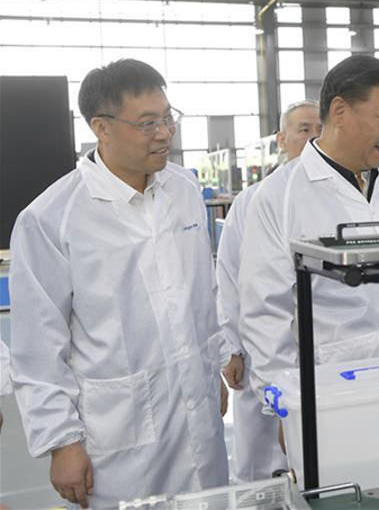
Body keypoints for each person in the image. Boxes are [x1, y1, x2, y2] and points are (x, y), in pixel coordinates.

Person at [9, 59, 229, 509]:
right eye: (147, 123)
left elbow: (200, 296)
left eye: (168, 118)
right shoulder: (51, 219)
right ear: (101, 128)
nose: (164, 133)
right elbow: (38, 345)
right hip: (117, 435)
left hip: (197, 409)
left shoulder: (184, 190)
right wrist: (61, 442)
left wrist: (213, 367)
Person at [239, 56, 379, 427]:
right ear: (339, 111)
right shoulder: (280, 196)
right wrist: (287, 409)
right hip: (337, 398)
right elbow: (265, 314)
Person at [217, 101, 321, 482]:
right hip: (260, 350)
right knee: (260, 463)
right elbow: (228, 274)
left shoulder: (328, 197)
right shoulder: (252, 200)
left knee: (314, 463)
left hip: (317, 351)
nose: (314, 138)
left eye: (320, 130)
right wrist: (232, 347)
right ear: (282, 139)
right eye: (304, 129)